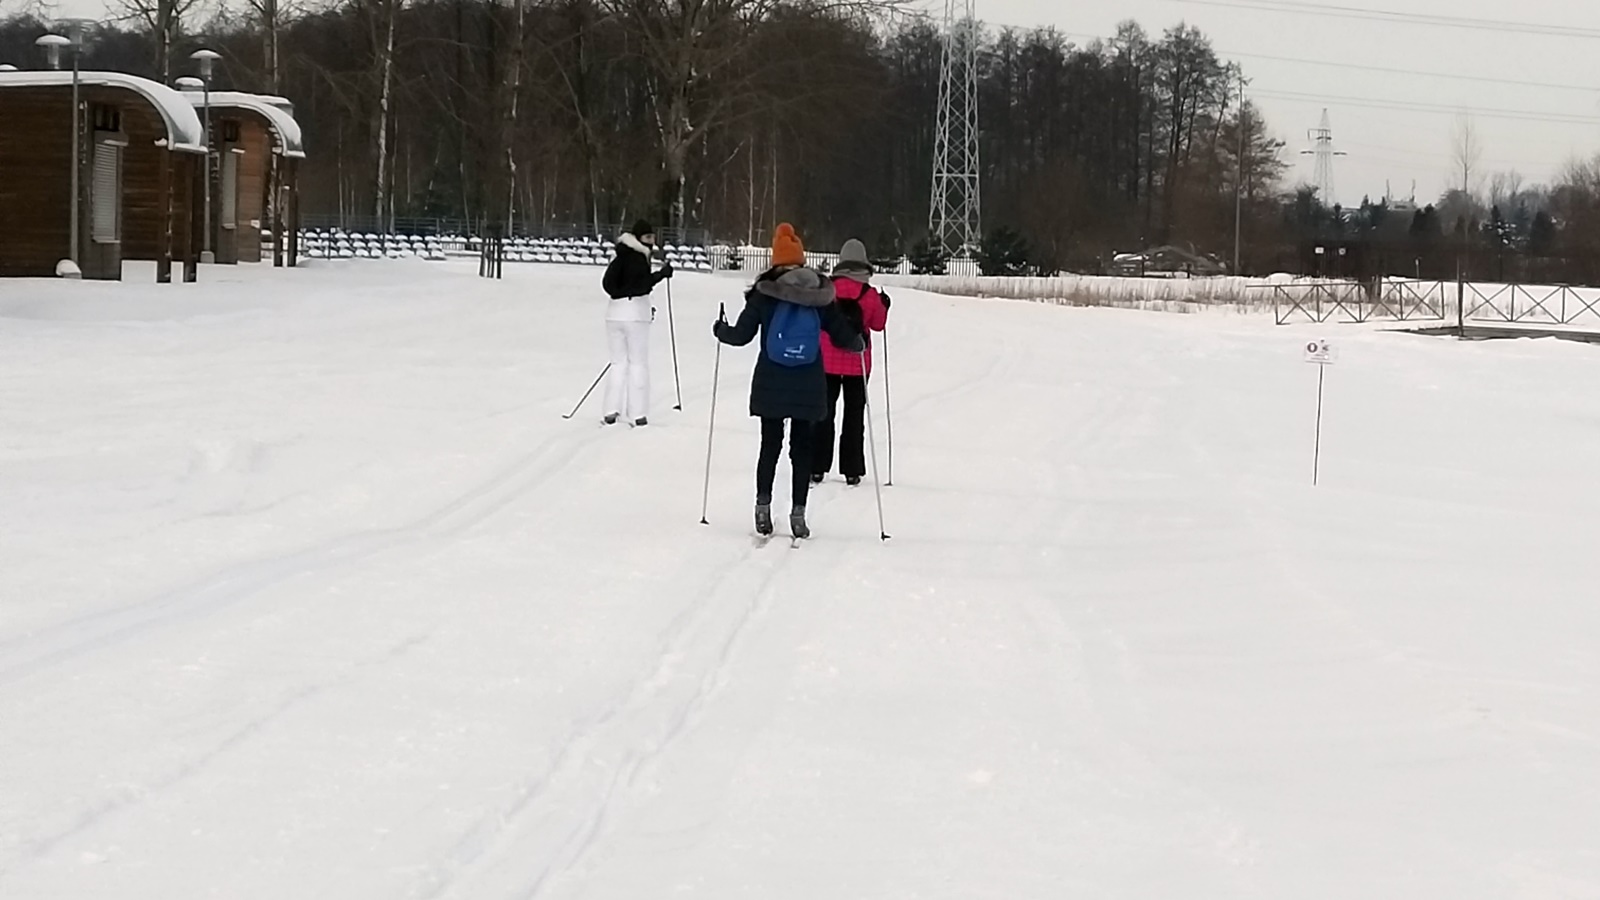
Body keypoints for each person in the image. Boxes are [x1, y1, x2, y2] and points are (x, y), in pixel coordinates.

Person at [713, 223, 862, 539]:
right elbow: (841, 334)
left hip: (771, 379)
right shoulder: (819, 294)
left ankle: (762, 507)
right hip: (808, 381)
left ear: (776, 260)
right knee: (802, 449)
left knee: (770, 445)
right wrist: (857, 342)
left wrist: (720, 330)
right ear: (801, 259)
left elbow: (740, 336)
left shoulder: (764, 294)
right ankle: (798, 514)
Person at [813, 238, 890, 486]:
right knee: (854, 416)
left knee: (824, 413)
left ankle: (817, 466)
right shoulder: (869, 294)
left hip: (827, 361)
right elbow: (878, 325)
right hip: (858, 363)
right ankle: (852, 469)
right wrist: (884, 306)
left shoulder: (829, 290)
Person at [600, 219, 673, 426]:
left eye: (653, 237)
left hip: (614, 314)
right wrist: (661, 275)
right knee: (637, 363)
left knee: (617, 363)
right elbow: (642, 285)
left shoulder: (619, 256)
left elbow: (607, 283)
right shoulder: (639, 258)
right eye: (648, 237)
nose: (651, 242)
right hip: (635, 315)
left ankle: (610, 410)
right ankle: (638, 413)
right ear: (639, 238)